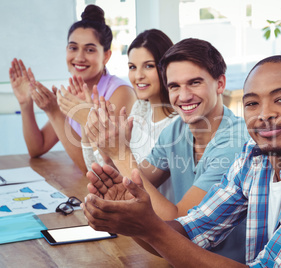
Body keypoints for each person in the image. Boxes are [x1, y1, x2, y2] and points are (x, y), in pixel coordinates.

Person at [81, 55, 281, 267]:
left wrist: (148, 227)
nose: (264, 113)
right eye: (252, 103)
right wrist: (132, 218)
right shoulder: (254, 158)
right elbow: (190, 231)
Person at [84, 38, 250, 263]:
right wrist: (110, 155)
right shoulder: (177, 130)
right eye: (174, 86)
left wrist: (121, 153)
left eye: (194, 82)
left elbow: (181, 224)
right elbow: (137, 181)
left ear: (220, 83)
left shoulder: (235, 142)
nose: (183, 96)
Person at [8, 4, 135, 173]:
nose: (79, 57)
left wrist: (55, 112)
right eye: (73, 48)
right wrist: (25, 104)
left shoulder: (121, 92)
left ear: (106, 56)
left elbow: (96, 167)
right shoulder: (73, 93)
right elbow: (37, 148)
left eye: (89, 49)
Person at [82, 29, 178, 202]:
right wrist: (88, 122)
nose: (138, 76)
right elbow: (100, 173)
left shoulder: (177, 125)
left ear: (166, 68)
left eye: (149, 66)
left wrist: (116, 153)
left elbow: (138, 186)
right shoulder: (140, 109)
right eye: (132, 67)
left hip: (163, 218)